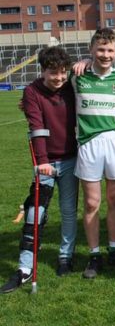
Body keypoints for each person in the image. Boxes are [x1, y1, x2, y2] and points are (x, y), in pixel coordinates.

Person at [1, 47, 79, 293]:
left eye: (63, 73)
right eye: (53, 73)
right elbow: (37, 127)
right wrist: (42, 162)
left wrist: (85, 61)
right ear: (42, 70)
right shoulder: (32, 91)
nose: (59, 78)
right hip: (45, 163)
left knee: (68, 211)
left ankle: (65, 257)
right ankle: (25, 268)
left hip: (71, 159)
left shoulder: (71, 86)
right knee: (35, 213)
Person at [71, 28, 115, 279]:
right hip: (88, 144)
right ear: (91, 50)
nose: (105, 54)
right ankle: (94, 255)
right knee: (91, 203)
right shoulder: (76, 76)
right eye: (100, 49)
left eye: (110, 50)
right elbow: (48, 81)